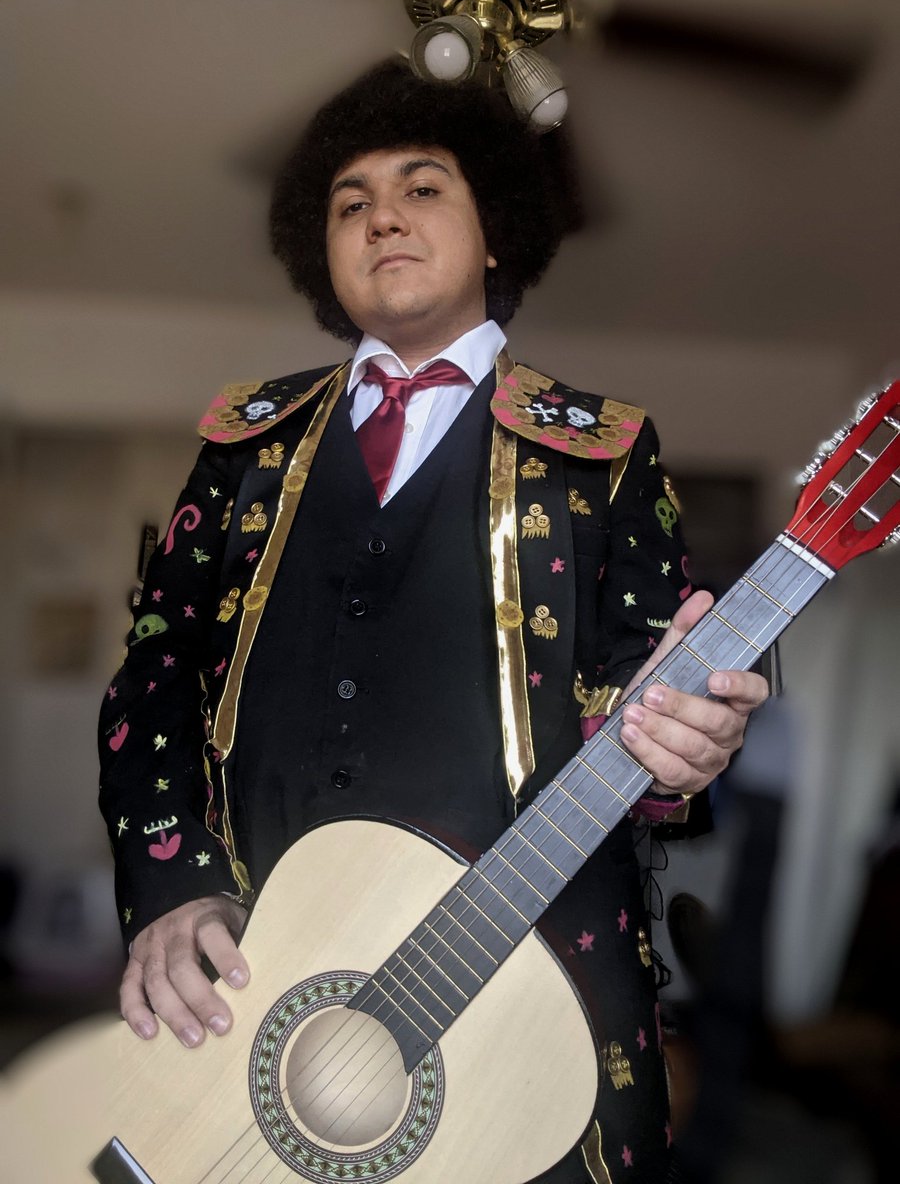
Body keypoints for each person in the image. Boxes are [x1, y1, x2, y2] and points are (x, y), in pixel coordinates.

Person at [98, 60, 767, 1182]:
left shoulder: (603, 450)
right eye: (349, 202)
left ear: (494, 230)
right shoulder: (244, 443)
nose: (382, 218)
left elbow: (643, 716)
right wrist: (172, 881)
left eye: (421, 188)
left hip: (537, 991)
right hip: (268, 992)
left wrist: (683, 749)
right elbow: (154, 671)